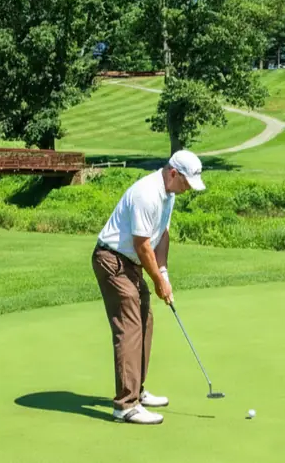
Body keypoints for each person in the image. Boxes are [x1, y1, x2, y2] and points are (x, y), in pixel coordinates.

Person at [91, 149, 206, 424]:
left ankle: (137, 392)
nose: (188, 189)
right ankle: (125, 406)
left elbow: (161, 234)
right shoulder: (147, 193)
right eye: (186, 183)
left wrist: (163, 272)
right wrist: (158, 281)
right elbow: (143, 245)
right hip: (112, 260)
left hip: (130, 262)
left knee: (146, 319)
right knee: (130, 326)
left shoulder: (170, 194)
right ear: (173, 173)